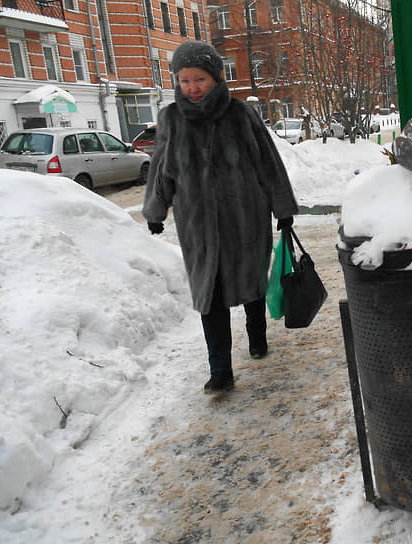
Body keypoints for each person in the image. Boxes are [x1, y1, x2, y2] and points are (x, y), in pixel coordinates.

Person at [143, 41, 298, 394]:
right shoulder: (170, 119)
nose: (192, 87)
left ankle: (256, 335)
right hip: (196, 224)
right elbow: (161, 169)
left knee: (250, 282)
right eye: (184, 80)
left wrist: (283, 209)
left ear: (215, 77)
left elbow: (268, 163)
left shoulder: (240, 114)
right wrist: (156, 209)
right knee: (209, 294)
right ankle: (220, 370)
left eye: (199, 79)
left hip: (244, 217)